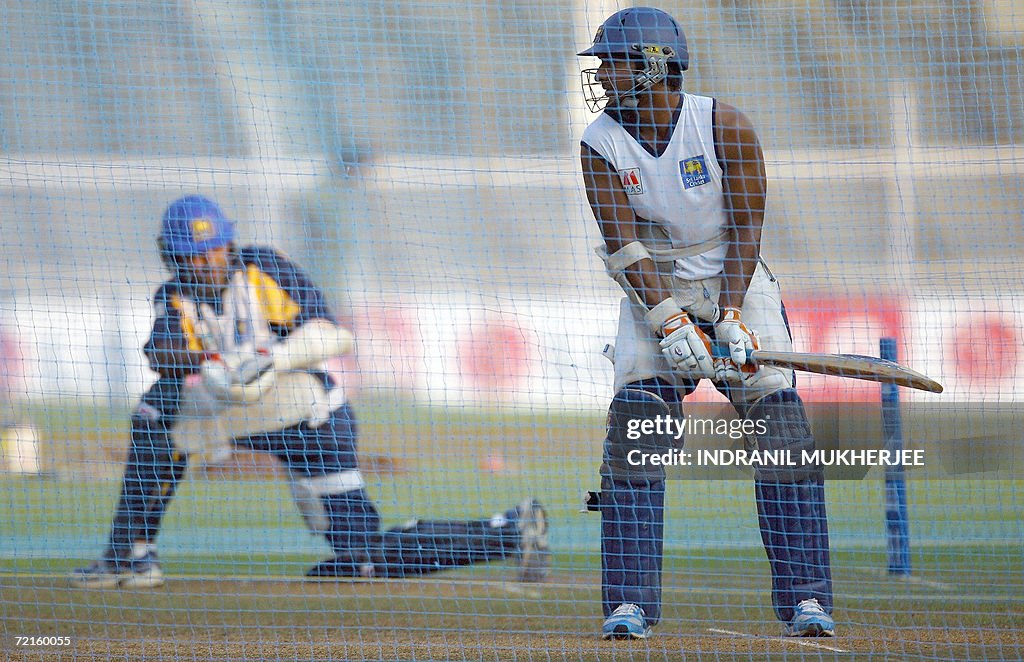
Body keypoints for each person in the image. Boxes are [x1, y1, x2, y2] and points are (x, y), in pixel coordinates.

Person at [71, 195, 549, 588]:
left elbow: (331, 333)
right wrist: (213, 361)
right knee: (159, 409)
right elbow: (162, 354)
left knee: (156, 415)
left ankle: (129, 554)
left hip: (308, 412)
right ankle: (510, 531)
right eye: (192, 253)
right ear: (172, 256)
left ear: (228, 244)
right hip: (251, 411)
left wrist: (267, 359)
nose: (204, 260)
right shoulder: (173, 295)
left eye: (212, 248)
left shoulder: (260, 267)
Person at [578, 8, 834, 639]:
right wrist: (669, 323)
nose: (604, 74)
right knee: (636, 433)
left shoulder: (725, 125)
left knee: (782, 430)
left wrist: (727, 318)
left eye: (615, 62)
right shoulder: (599, 141)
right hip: (652, 290)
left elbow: (747, 226)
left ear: (653, 66)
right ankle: (629, 604)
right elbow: (621, 244)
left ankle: (806, 600)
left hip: (735, 283)